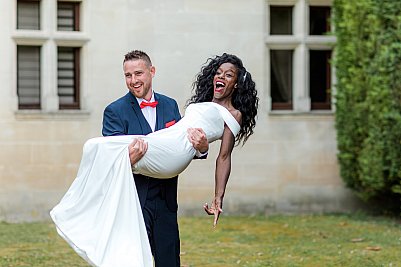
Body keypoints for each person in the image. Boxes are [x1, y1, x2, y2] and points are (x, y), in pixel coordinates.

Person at [50, 52, 258, 267]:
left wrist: (202, 149)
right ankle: (72, 211)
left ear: (152, 71)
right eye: (128, 75)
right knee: (95, 148)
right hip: (135, 200)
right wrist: (128, 158)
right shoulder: (115, 111)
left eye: (138, 73)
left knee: (169, 262)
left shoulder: (170, 105)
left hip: (165, 200)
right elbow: (118, 160)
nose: (133, 80)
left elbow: (186, 144)